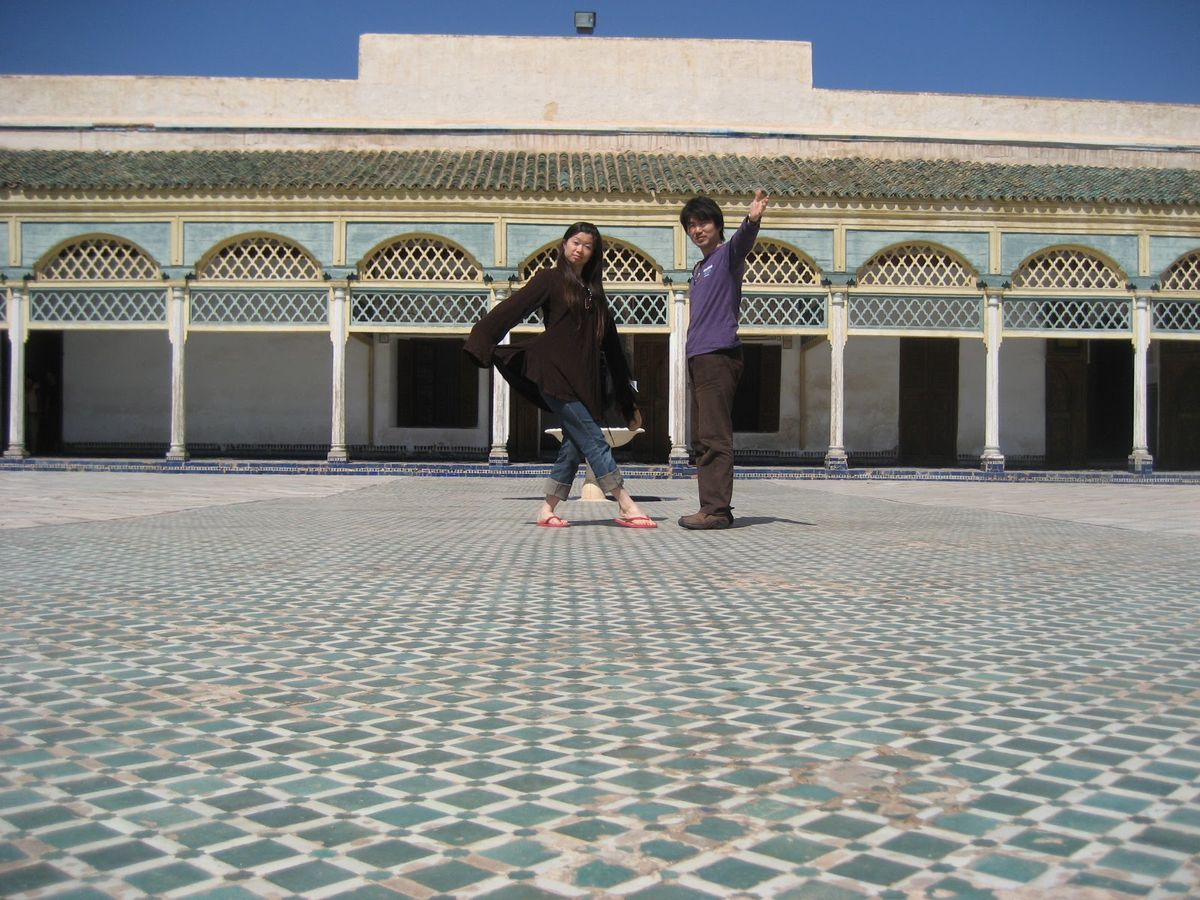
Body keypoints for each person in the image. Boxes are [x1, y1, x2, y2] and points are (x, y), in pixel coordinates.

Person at [465, 222, 656, 529]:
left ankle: (547, 509)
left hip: (586, 381)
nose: (579, 249)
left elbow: (613, 351)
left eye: (587, 246)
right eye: (575, 242)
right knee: (594, 439)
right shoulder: (550, 280)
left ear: (594, 254)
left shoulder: (595, 294)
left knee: (574, 445)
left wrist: (625, 399)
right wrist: (481, 338)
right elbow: (514, 307)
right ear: (565, 244)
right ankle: (625, 503)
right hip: (555, 374)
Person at [678, 190, 769, 530]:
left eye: (703, 222)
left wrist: (753, 218)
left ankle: (716, 510)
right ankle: (710, 506)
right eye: (690, 225)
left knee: (715, 436)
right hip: (699, 356)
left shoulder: (727, 255)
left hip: (718, 354)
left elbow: (743, 240)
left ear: (717, 224)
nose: (697, 229)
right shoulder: (700, 268)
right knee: (703, 437)